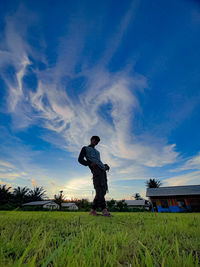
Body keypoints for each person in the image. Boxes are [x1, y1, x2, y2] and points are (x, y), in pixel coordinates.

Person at [78, 136, 112, 217]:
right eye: (95, 140)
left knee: (103, 190)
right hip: (96, 170)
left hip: (102, 170)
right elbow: (80, 159)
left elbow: (98, 161)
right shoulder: (85, 148)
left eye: (97, 141)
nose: (96, 142)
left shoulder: (97, 152)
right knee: (99, 189)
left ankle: (93, 210)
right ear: (91, 140)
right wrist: (89, 164)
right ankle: (104, 210)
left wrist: (105, 165)